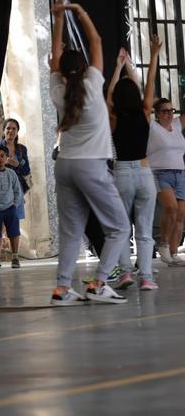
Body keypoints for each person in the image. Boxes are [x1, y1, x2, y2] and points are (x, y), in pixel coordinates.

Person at [48, 0, 129, 306]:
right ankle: (98, 283)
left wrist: (58, 20)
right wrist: (78, 11)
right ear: (84, 67)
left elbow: (55, 58)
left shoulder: (59, 91)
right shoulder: (94, 84)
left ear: (62, 72)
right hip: (91, 167)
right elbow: (95, 40)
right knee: (119, 227)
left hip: (65, 166)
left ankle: (62, 289)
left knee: (71, 231)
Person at [106, 37, 162, 289]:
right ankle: (147, 277)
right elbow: (149, 82)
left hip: (121, 173)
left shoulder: (113, 116)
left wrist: (118, 67)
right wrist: (154, 55)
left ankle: (126, 272)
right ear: (136, 96)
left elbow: (109, 95)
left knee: (120, 227)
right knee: (145, 228)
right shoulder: (146, 111)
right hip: (144, 171)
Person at [0, 118, 31, 268]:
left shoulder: (21, 149)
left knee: (13, 227)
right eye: (8, 128)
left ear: (17, 132)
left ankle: (14, 257)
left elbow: (26, 170)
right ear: (3, 130)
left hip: (14, 194)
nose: (10, 131)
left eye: (14, 129)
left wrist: (17, 164)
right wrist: (3, 162)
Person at [147, 86, 185, 267]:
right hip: (160, 173)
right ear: (157, 113)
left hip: (180, 173)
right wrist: (155, 101)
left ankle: (173, 252)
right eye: (165, 111)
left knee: (180, 215)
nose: (169, 114)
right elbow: (144, 108)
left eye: (171, 110)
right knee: (170, 208)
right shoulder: (152, 126)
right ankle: (162, 243)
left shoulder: (177, 125)